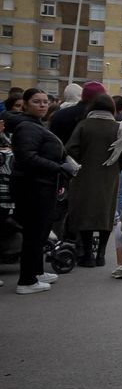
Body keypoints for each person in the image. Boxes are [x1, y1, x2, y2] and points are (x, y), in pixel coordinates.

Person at [5, 88, 74, 294]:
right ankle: (26, 281)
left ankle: (36, 272)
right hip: (33, 187)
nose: (43, 105)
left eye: (45, 102)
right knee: (34, 234)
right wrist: (59, 167)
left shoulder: (34, 124)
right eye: (37, 102)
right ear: (25, 104)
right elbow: (27, 157)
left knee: (41, 232)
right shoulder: (26, 126)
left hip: (42, 185)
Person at [64, 93, 122, 268]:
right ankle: (101, 254)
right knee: (105, 214)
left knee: (85, 213)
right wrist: (115, 168)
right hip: (109, 177)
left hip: (84, 176)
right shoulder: (120, 128)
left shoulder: (84, 125)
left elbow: (71, 150)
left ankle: (87, 254)